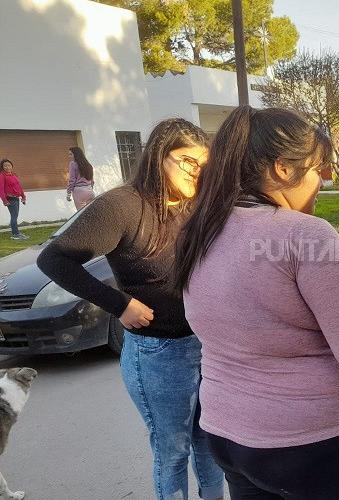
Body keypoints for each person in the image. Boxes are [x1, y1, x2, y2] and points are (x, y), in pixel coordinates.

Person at [173, 106, 339, 500]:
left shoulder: (198, 228)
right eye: (318, 169)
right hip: (306, 443)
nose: (324, 181)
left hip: (226, 432)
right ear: (284, 168)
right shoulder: (305, 235)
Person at [37, 119, 225, 500]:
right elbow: (54, 260)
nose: (197, 172)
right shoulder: (123, 206)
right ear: (159, 156)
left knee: (211, 443)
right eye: (188, 161)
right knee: (173, 452)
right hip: (159, 353)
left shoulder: (196, 205)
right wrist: (119, 304)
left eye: (203, 165)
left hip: (208, 348)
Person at [0, 159, 28, 240]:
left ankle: (16, 232)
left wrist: (23, 197)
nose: (7, 167)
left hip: (16, 198)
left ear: (12, 166)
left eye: (9, 165)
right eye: (5, 165)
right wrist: (4, 201)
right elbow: (1, 189)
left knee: (15, 216)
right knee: (14, 216)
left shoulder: (14, 175)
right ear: (2, 167)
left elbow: (19, 186)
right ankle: (15, 234)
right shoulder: (2, 176)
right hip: (10, 199)